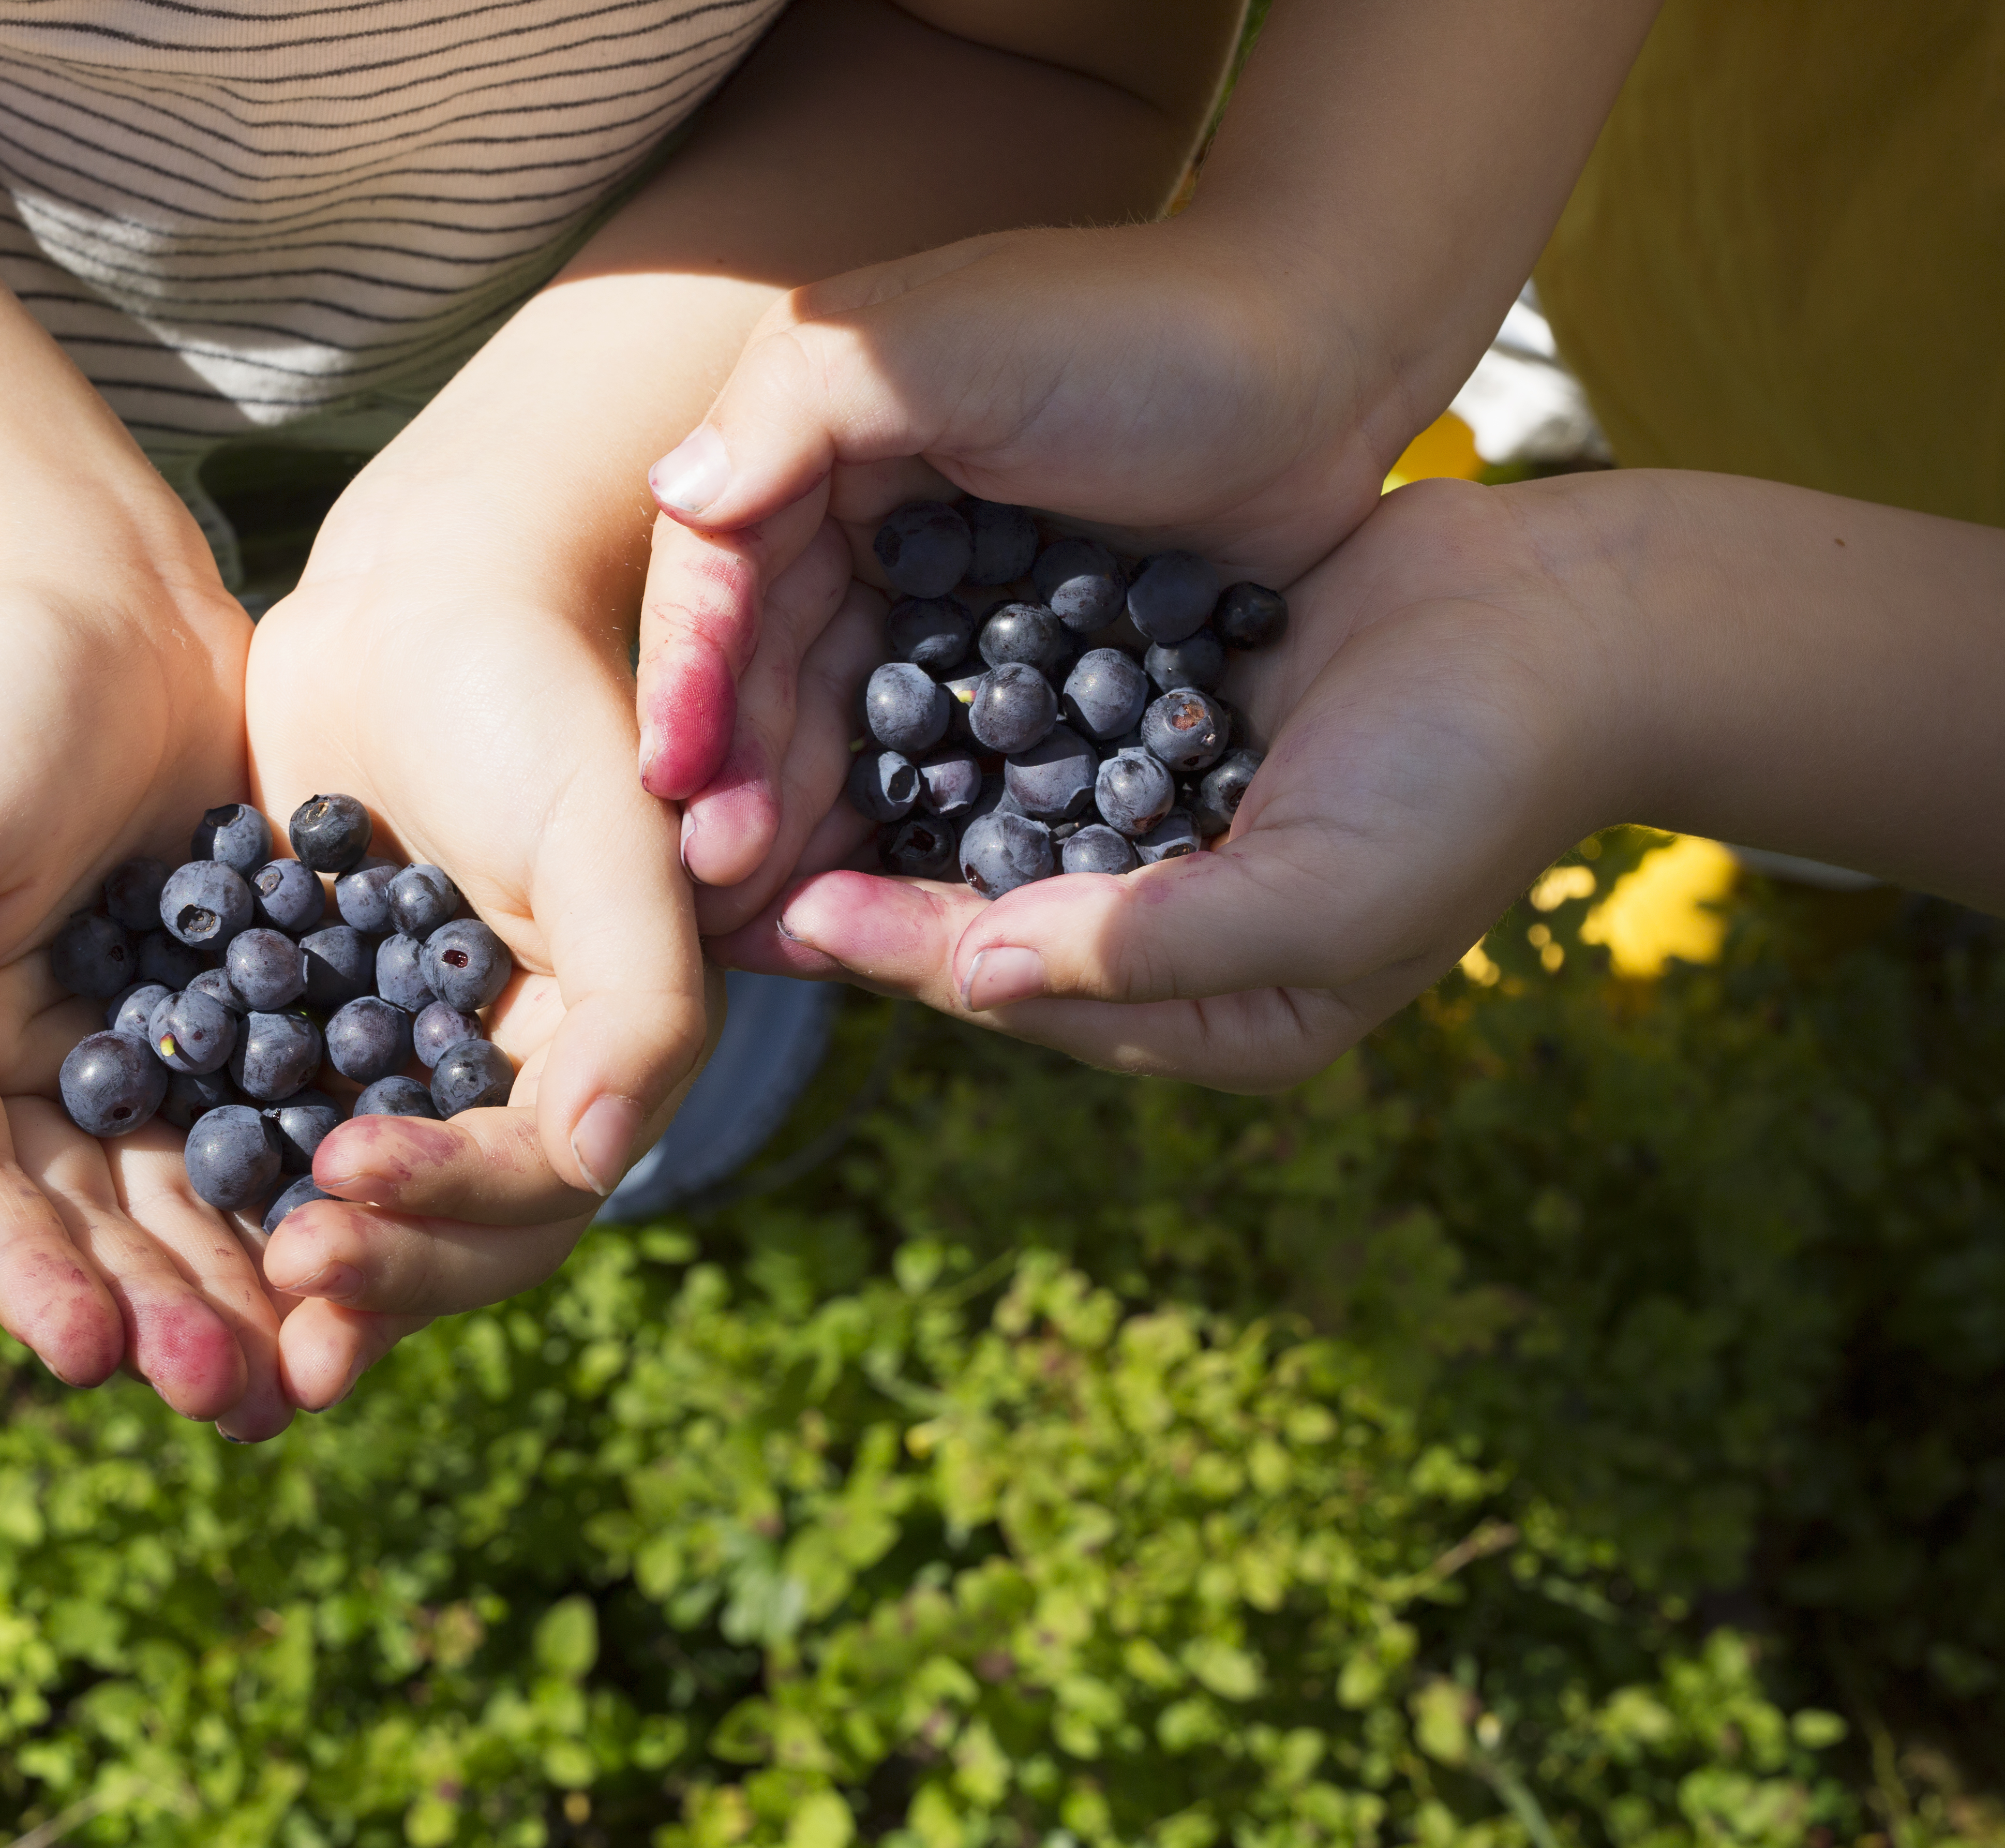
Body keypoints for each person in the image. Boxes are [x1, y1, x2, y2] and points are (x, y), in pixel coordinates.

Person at [0, 0, 1252, 1434]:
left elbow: (1036, 46)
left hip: (642, 360)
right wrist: (11, 562)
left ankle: (693, 962)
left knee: (661, 811)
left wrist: (500, 536)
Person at [633, 0, 2005, 1092]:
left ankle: (1796, 795)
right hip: (1680, 155)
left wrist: (1639, 657)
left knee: (1817, 745)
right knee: (1610, 343)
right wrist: (1336, 306)